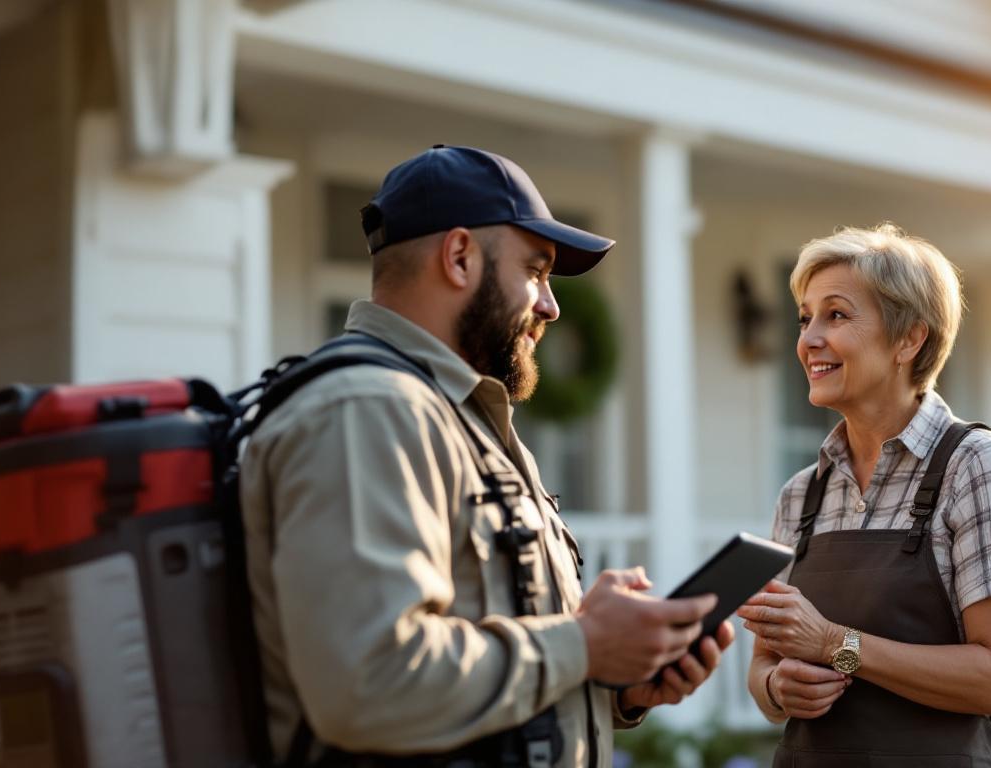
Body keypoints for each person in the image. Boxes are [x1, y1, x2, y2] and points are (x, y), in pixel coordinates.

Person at [239, 145, 733, 766]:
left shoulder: (459, 416)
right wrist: (584, 641)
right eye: (536, 270)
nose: (550, 305)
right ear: (460, 256)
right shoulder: (369, 410)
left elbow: (485, 660)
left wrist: (617, 679)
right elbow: (371, 683)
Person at [737, 223, 991, 766]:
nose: (810, 339)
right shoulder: (800, 496)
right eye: (805, 317)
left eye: (836, 315)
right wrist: (777, 687)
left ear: (910, 339)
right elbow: (764, 670)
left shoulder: (979, 468)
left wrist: (836, 643)